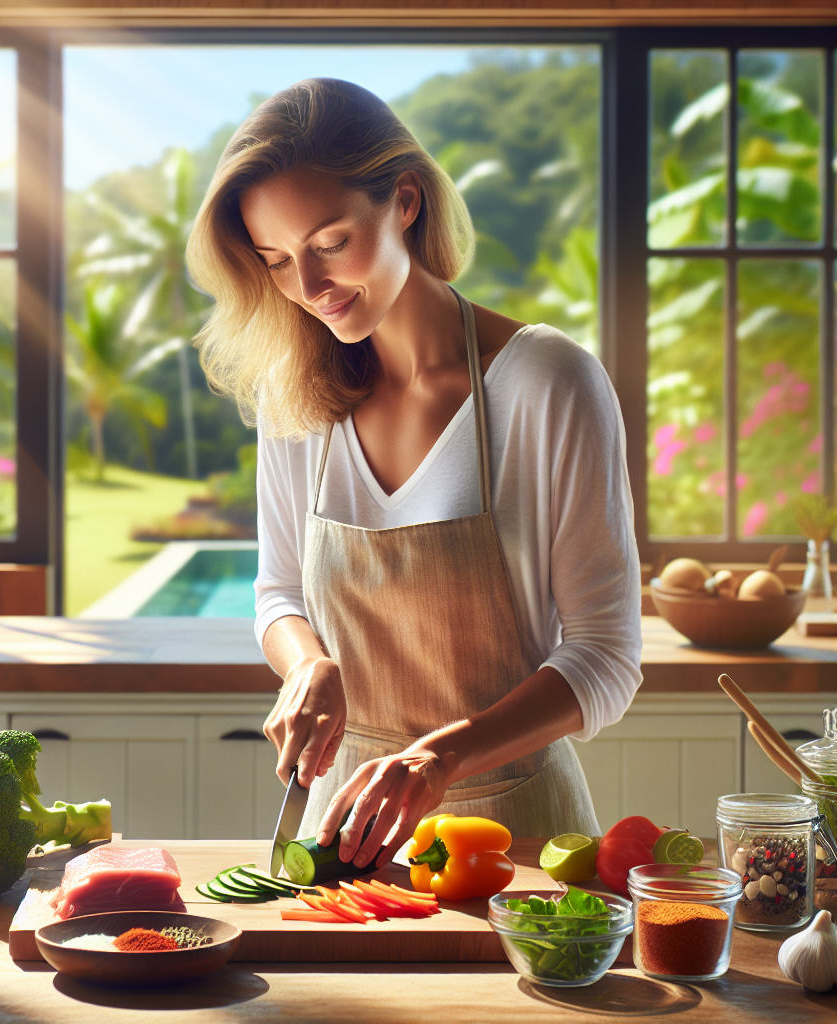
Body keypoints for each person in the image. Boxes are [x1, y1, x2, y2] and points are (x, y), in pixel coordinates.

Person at [186, 78, 641, 870]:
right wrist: (307, 665)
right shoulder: (294, 395)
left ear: (404, 199)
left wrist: (438, 760)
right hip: (346, 830)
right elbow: (279, 593)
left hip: (519, 840)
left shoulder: (547, 382)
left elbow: (606, 656)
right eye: (278, 261)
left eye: (329, 242)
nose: (310, 286)